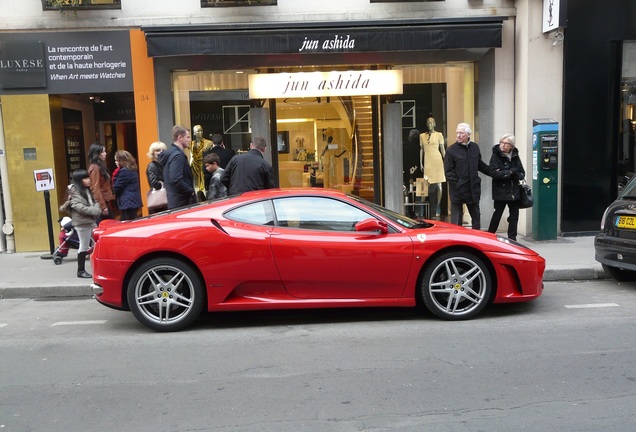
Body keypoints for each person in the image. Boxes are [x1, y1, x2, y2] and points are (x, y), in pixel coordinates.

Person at [443, 122, 493, 229]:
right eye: (457, 133)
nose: (458, 136)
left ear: (468, 134)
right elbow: (448, 171)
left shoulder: (475, 147)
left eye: (461, 133)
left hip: (473, 190)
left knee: (476, 221)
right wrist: (457, 184)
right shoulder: (451, 150)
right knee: (456, 224)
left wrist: (493, 172)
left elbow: (480, 164)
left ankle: (476, 242)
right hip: (458, 191)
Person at [60, 169, 101, 279]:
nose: (88, 180)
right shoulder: (74, 194)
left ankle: (98, 267)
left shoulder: (86, 191)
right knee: (84, 245)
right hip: (82, 223)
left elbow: (95, 202)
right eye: (86, 178)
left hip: (90, 221)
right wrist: (96, 211)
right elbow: (82, 208)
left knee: (98, 242)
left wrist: (96, 208)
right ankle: (81, 270)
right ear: (79, 180)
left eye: (88, 178)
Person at [487, 134, 526, 241]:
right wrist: (510, 172)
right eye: (501, 142)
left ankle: (512, 238)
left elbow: (522, 173)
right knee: (497, 215)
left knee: (514, 216)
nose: (503, 145)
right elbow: (494, 173)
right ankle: (489, 236)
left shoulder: (515, 156)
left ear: (511, 146)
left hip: (514, 191)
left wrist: (514, 173)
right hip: (500, 191)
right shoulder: (496, 155)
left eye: (506, 143)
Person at [159, 125, 196, 209]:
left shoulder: (171, 154)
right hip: (182, 202)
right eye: (188, 137)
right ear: (180, 138)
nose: (190, 140)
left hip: (175, 201)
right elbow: (176, 179)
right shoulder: (178, 156)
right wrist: (190, 191)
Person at [420, 116, 446, 217]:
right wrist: (421, 162)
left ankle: (438, 206)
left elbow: (442, 149)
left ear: (434, 124)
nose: (430, 125)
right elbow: (421, 149)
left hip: (437, 160)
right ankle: (421, 207)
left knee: (439, 183)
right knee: (425, 182)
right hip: (427, 160)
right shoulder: (422, 136)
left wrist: (446, 160)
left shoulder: (439, 135)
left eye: (431, 123)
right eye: (428, 123)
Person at [87, 142, 115, 221]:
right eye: (103, 152)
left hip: (104, 200)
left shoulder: (99, 166)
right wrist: (103, 206)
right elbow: (95, 188)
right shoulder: (95, 167)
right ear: (97, 154)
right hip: (101, 202)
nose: (105, 154)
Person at [113, 150, 143, 221]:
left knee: (128, 223)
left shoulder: (124, 171)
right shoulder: (131, 169)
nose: (115, 162)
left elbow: (117, 187)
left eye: (116, 160)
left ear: (121, 161)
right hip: (131, 201)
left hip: (128, 202)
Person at [190, 125, 214, 201]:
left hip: (204, 165)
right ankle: (197, 198)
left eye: (201, 131)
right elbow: (191, 155)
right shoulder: (191, 144)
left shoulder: (208, 143)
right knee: (196, 185)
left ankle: (205, 197)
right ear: (194, 133)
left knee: (204, 183)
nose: (200, 133)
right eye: (198, 131)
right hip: (194, 166)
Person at [146, 141, 168, 214]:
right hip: (158, 203)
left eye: (163, 150)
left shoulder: (163, 164)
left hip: (165, 202)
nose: (161, 152)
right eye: (158, 150)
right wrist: (166, 184)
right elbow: (154, 183)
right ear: (153, 153)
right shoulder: (152, 166)